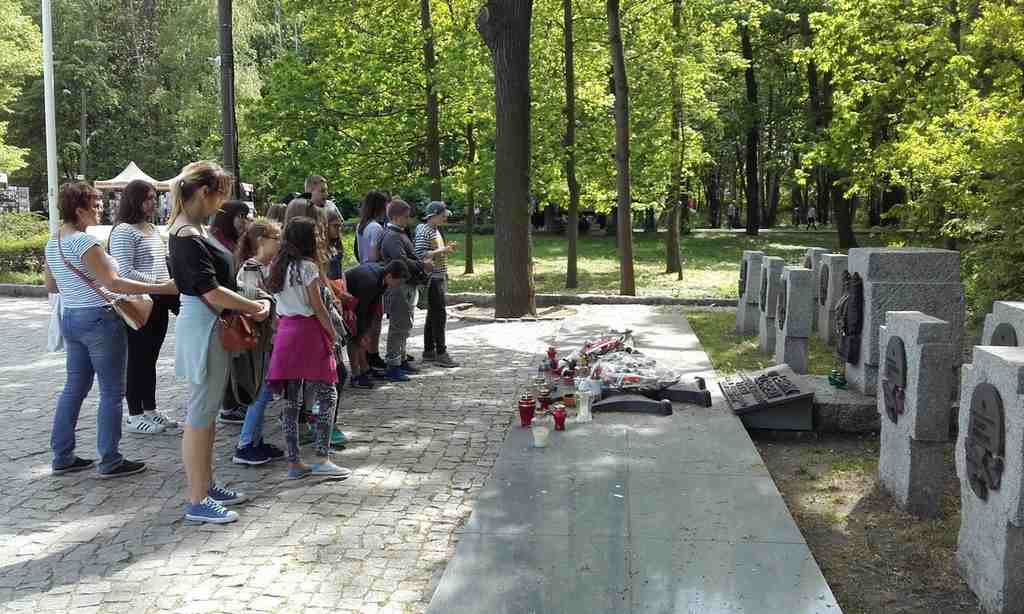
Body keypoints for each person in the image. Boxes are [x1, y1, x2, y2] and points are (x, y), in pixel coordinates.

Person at [44, 182, 177, 478]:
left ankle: (62, 456)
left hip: (72, 318)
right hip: (100, 320)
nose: (101, 208)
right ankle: (110, 459)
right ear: (79, 210)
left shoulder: (54, 241)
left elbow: (52, 285)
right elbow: (114, 282)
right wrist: (163, 287)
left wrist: (78, 288)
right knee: (111, 392)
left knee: (74, 387)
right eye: (95, 204)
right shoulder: (84, 242)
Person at [168, 161, 271, 524]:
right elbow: (211, 292)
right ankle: (197, 498)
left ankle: (206, 486)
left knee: (207, 413)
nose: (222, 204)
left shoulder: (192, 230)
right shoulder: (187, 235)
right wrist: (254, 307)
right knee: (200, 415)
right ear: (203, 192)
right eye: (220, 195)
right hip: (205, 327)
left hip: (210, 325)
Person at [265, 216, 351, 480]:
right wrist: (333, 334)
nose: (320, 238)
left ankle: (294, 462)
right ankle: (322, 458)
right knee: (327, 394)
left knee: (291, 402)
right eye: (316, 234)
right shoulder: (308, 267)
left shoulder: (276, 267)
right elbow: (318, 307)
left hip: (286, 333)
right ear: (306, 239)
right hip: (309, 333)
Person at [108, 179, 180, 435]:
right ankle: (135, 413)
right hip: (138, 301)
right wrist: (160, 284)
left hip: (160, 300)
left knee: (151, 358)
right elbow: (124, 271)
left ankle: (150, 408)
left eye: (154, 198)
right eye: (147, 198)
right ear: (134, 200)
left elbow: (160, 264)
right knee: (138, 358)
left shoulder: (150, 227)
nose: (152, 203)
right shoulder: (123, 231)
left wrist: (166, 287)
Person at [230, 219, 286, 465]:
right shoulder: (252, 269)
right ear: (262, 241)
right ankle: (245, 445)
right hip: (260, 339)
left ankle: (255, 440)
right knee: (261, 392)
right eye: (276, 238)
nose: (280, 243)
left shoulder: (267, 266)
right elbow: (253, 305)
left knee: (264, 391)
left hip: (269, 338)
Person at [211, 200, 256, 425]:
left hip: (238, 303)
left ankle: (239, 400)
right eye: (241, 216)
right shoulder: (217, 241)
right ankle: (229, 406)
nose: (244, 221)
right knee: (228, 357)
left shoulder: (237, 240)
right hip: (222, 306)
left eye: (246, 217)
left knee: (239, 357)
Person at [378, 199, 431, 382]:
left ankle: (400, 359)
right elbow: (401, 260)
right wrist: (422, 265)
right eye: (406, 216)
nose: (408, 220)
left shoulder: (399, 233)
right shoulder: (392, 236)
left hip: (407, 284)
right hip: (399, 285)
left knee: (405, 324)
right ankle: (393, 364)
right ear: (395, 217)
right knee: (399, 326)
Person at [345, 260, 409, 387]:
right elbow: (361, 310)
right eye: (398, 282)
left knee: (362, 337)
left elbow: (372, 307)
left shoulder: (382, 279)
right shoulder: (370, 282)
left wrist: (367, 330)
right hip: (346, 300)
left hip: (357, 303)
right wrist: (362, 332)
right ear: (390, 276)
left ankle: (365, 369)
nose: (398, 286)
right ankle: (356, 375)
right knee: (354, 337)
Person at [414, 201, 459, 368]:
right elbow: (420, 254)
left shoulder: (435, 230)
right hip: (431, 278)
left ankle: (429, 351)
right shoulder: (424, 230)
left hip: (438, 276)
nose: (445, 218)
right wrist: (443, 250)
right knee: (439, 315)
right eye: (442, 215)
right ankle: (441, 352)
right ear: (433, 215)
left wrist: (445, 250)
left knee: (433, 314)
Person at [354, 190, 390, 374]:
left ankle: (368, 355)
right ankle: (372, 354)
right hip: (374, 272)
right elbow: (375, 254)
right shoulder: (376, 228)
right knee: (374, 319)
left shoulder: (362, 225)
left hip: (363, 269)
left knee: (369, 317)